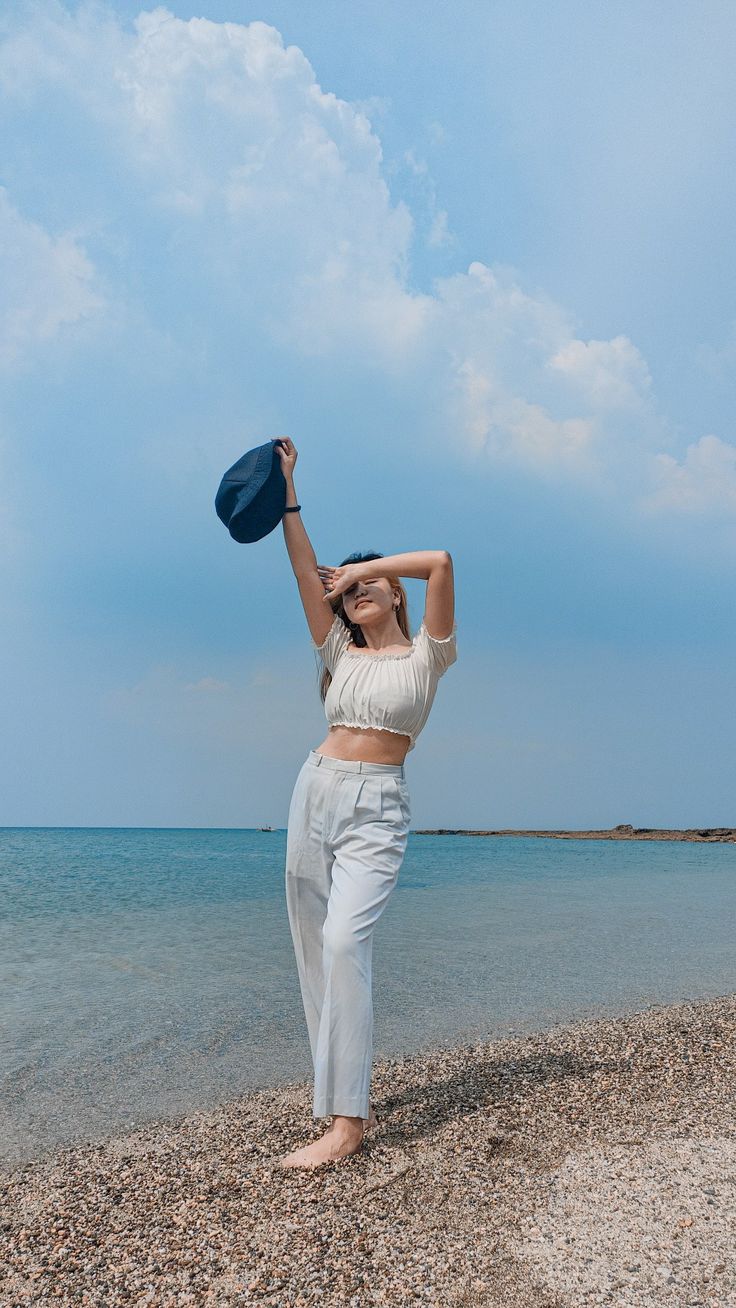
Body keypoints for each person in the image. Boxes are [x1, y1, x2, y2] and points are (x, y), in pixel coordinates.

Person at [274, 437, 457, 1169]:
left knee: (347, 943)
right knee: (315, 952)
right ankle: (340, 1101)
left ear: (393, 591)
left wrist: (364, 566)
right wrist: (289, 489)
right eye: (348, 591)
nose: (356, 594)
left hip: (378, 804)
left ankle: (347, 1128)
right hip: (313, 789)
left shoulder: (427, 655)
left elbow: (441, 561)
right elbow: (298, 565)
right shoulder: (339, 654)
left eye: (367, 585)